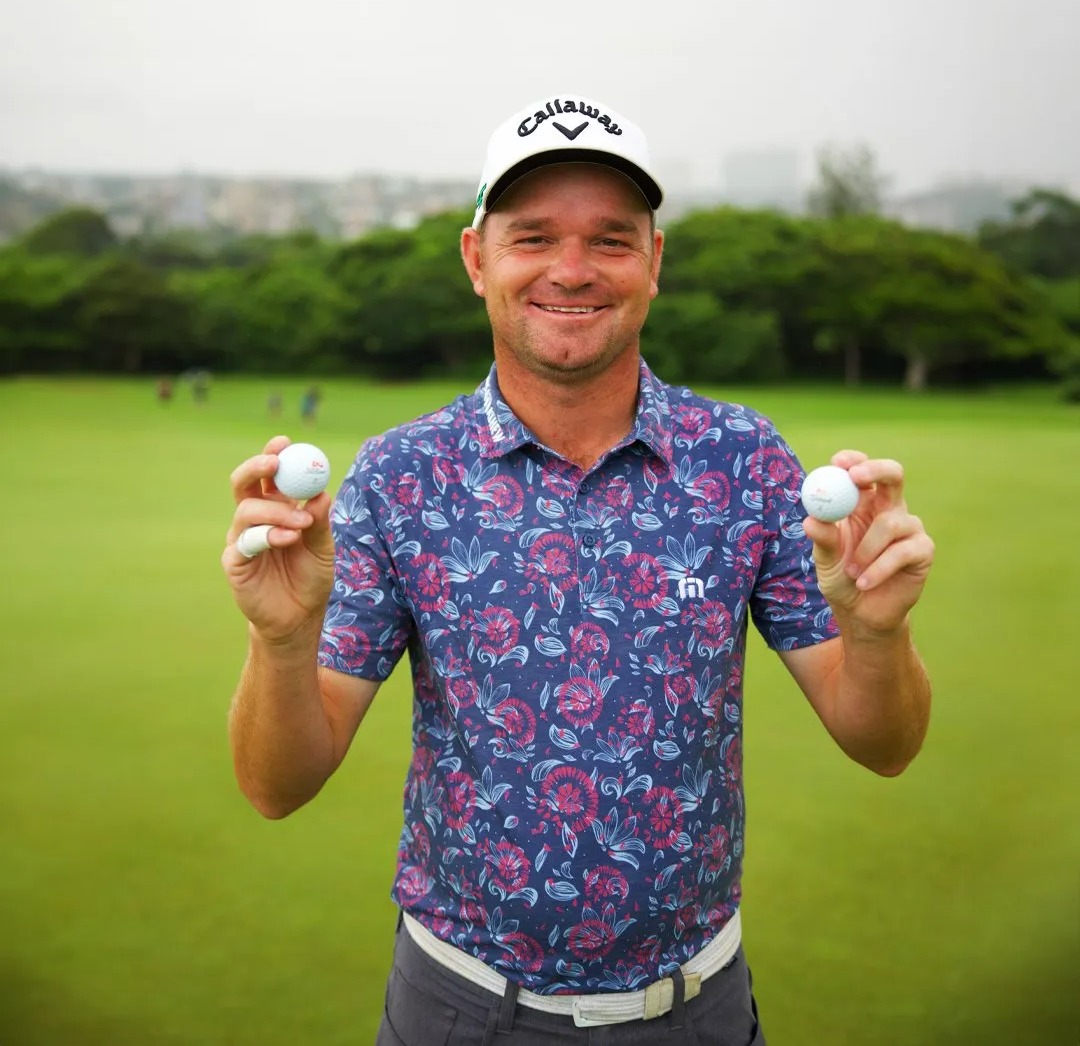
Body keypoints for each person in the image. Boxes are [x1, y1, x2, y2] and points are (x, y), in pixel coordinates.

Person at [222, 94, 934, 1045]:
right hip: (458, 1009)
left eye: (609, 238)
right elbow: (278, 785)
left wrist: (880, 636)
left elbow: (881, 741)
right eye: (532, 238)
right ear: (477, 259)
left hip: (696, 1009)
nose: (570, 270)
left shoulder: (744, 459)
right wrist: (281, 641)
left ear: (654, 262)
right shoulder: (402, 477)